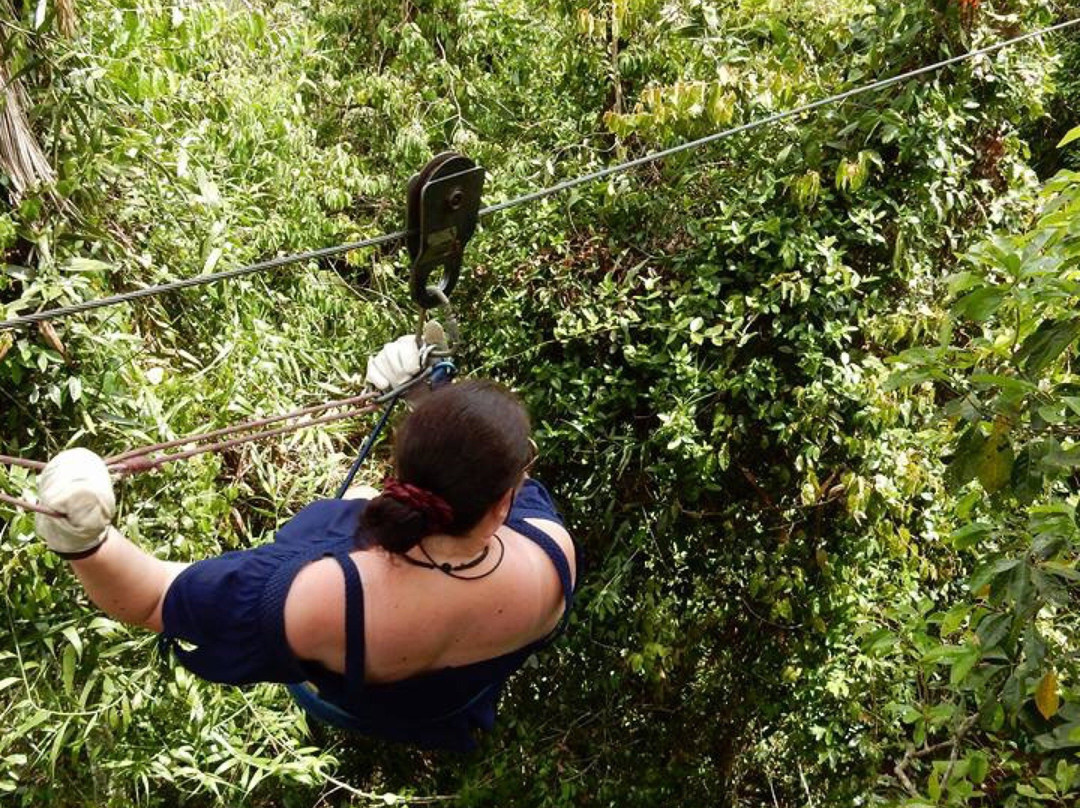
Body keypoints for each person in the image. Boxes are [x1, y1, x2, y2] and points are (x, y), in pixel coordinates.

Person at [32, 337, 578, 751]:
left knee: (355, 501)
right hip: (443, 712)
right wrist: (430, 396)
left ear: (400, 467)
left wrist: (83, 538)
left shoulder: (321, 598)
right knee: (360, 503)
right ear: (501, 504)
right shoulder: (552, 556)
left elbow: (155, 598)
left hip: (349, 682)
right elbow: (491, 476)